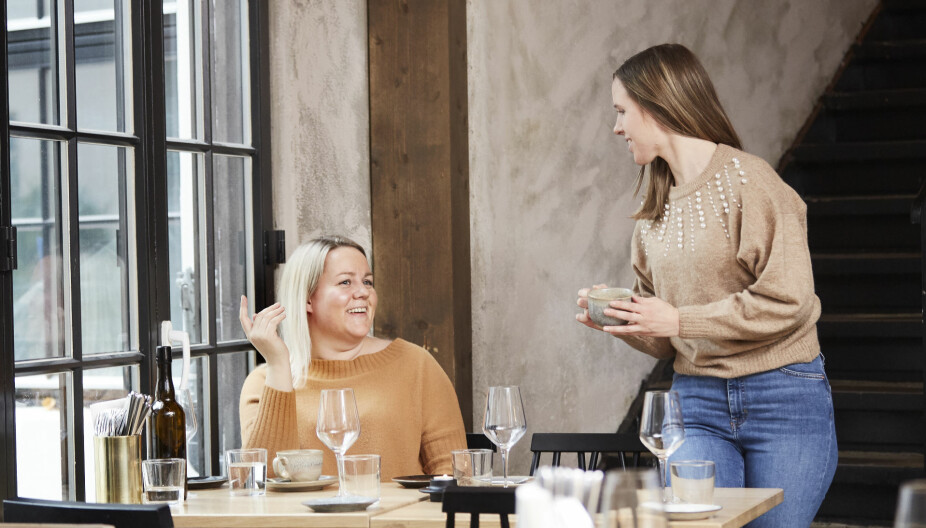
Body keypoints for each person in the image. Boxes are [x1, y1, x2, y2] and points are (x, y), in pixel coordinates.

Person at [576, 44, 836, 527]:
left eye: (621, 112)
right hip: (696, 403)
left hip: (783, 398)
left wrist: (678, 318)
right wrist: (630, 322)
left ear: (656, 106)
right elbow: (669, 341)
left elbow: (791, 301)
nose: (616, 128)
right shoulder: (652, 217)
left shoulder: (751, 183)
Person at [238, 235, 466, 479]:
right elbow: (259, 483)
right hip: (308, 519)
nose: (363, 292)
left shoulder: (416, 365)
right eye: (346, 282)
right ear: (307, 299)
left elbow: (456, 472)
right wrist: (278, 364)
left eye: (367, 282)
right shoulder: (264, 383)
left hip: (396, 518)